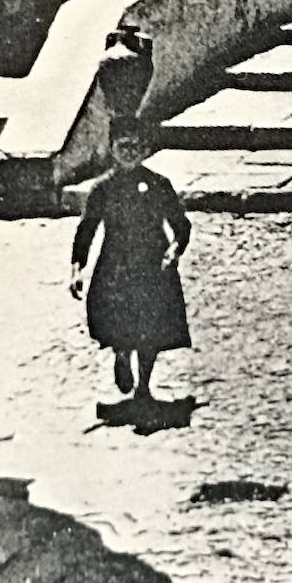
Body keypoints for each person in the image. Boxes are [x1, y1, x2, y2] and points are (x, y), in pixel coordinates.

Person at [69, 121, 192, 404]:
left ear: (145, 150)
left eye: (135, 147)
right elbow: (87, 229)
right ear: (112, 149)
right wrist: (78, 268)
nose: (129, 152)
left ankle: (144, 387)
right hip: (115, 266)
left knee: (152, 328)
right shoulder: (103, 190)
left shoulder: (159, 185)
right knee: (120, 321)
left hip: (152, 264)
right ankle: (122, 354)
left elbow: (180, 224)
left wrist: (174, 249)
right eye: (123, 146)